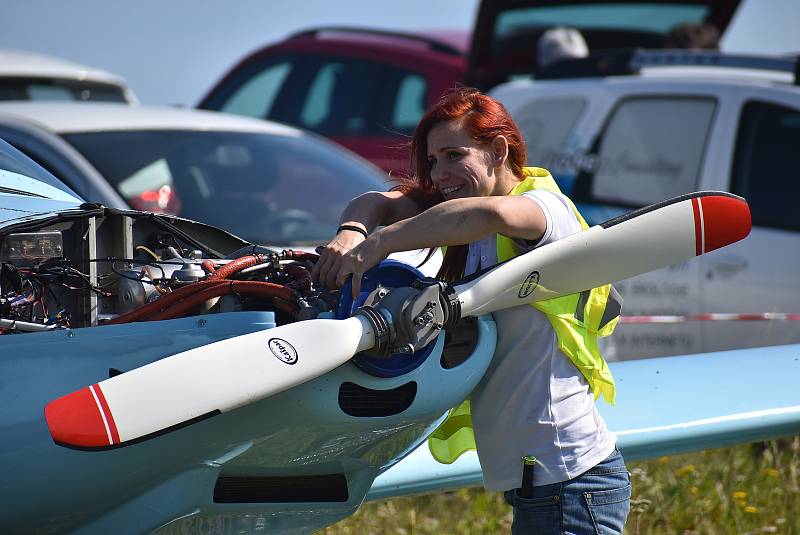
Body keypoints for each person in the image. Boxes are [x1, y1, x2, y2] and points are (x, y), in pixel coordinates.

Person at [312, 87, 630, 534]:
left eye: (453, 156)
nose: (440, 174)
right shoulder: (461, 213)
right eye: (433, 161)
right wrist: (351, 232)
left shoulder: (544, 209)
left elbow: (487, 213)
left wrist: (380, 242)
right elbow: (378, 202)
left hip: (572, 480)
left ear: (498, 150)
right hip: (543, 484)